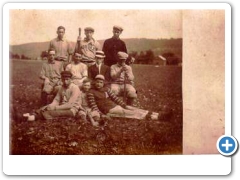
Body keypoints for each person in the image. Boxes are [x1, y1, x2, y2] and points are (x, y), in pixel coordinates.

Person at [87, 75, 172, 121]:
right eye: (97, 82)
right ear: (94, 82)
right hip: (108, 111)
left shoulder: (106, 89)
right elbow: (94, 106)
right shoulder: (91, 92)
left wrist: (124, 105)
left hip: (116, 107)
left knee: (132, 109)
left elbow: (115, 99)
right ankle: (156, 118)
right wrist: (102, 115)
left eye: (100, 82)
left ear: (103, 83)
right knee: (130, 113)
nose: (98, 84)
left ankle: (157, 114)